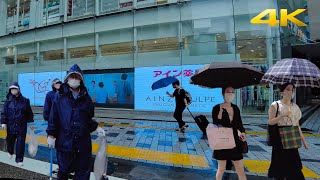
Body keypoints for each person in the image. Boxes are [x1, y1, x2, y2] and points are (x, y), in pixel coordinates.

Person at [46, 64, 106, 180]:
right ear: (67, 79)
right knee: (63, 171)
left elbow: (87, 119)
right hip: (65, 142)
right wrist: (51, 135)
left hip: (83, 143)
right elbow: (54, 117)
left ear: (81, 80)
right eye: (72, 77)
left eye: (77, 77)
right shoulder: (59, 97)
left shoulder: (86, 98)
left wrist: (96, 127)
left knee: (83, 172)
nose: (74, 79)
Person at [267, 83, 308, 180]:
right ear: (282, 92)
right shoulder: (275, 105)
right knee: (280, 170)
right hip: (280, 140)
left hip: (292, 139)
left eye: (292, 90)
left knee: (295, 169)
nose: (291, 92)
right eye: (288, 89)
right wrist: (282, 115)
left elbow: (297, 125)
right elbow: (270, 122)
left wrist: (304, 141)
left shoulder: (295, 107)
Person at [211, 86, 247, 180]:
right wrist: (220, 111)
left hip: (235, 141)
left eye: (232, 92)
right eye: (228, 92)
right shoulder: (216, 108)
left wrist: (243, 132)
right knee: (221, 169)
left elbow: (239, 123)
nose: (230, 94)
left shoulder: (235, 108)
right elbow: (216, 124)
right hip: (222, 141)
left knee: (240, 170)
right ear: (223, 94)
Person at [1, 82, 34, 167]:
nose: (13, 90)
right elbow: (4, 112)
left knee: (20, 143)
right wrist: (3, 122)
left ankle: (19, 159)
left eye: (15, 88)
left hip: (21, 126)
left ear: (18, 89)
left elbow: (29, 112)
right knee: (10, 141)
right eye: (12, 89)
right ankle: (10, 151)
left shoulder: (25, 101)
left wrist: (31, 122)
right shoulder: (8, 101)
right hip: (11, 125)